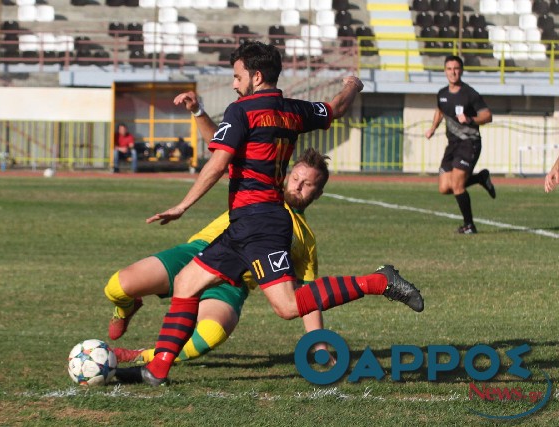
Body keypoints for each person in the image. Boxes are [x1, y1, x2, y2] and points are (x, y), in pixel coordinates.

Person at [125, 41, 423, 387]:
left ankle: (379, 281)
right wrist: (352, 85)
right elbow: (337, 109)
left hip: (259, 223)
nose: (234, 84)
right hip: (247, 223)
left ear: (255, 76)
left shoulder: (242, 110)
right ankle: (156, 370)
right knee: (186, 282)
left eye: (237, 77)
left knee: (287, 307)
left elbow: (218, 164)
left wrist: (182, 205)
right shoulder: (293, 110)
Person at [108, 148, 333, 370]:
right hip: (199, 252)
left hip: (233, 283)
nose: (298, 186)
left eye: (308, 184)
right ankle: (125, 308)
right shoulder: (261, 192)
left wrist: (320, 347)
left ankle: (143, 356)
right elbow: (222, 151)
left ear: (318, 193)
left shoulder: (306, 240)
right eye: (295, 178)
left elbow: (306, 295)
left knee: (210, 335)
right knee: (117, 287)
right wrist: (198, 111)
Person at [425, 55, 495, 234]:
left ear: (461, 70)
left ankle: (469, 226)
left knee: (457, 185)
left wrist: (471, 119)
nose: (453, 72)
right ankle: (480, 178)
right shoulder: (442, 94)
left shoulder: (470, 94)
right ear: (445, 71)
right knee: (444, 188)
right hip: (453, 144)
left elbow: (488, 115)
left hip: (469, 143)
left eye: (456, 68)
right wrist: (433, 128)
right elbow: (440, 110)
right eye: (449, 69)